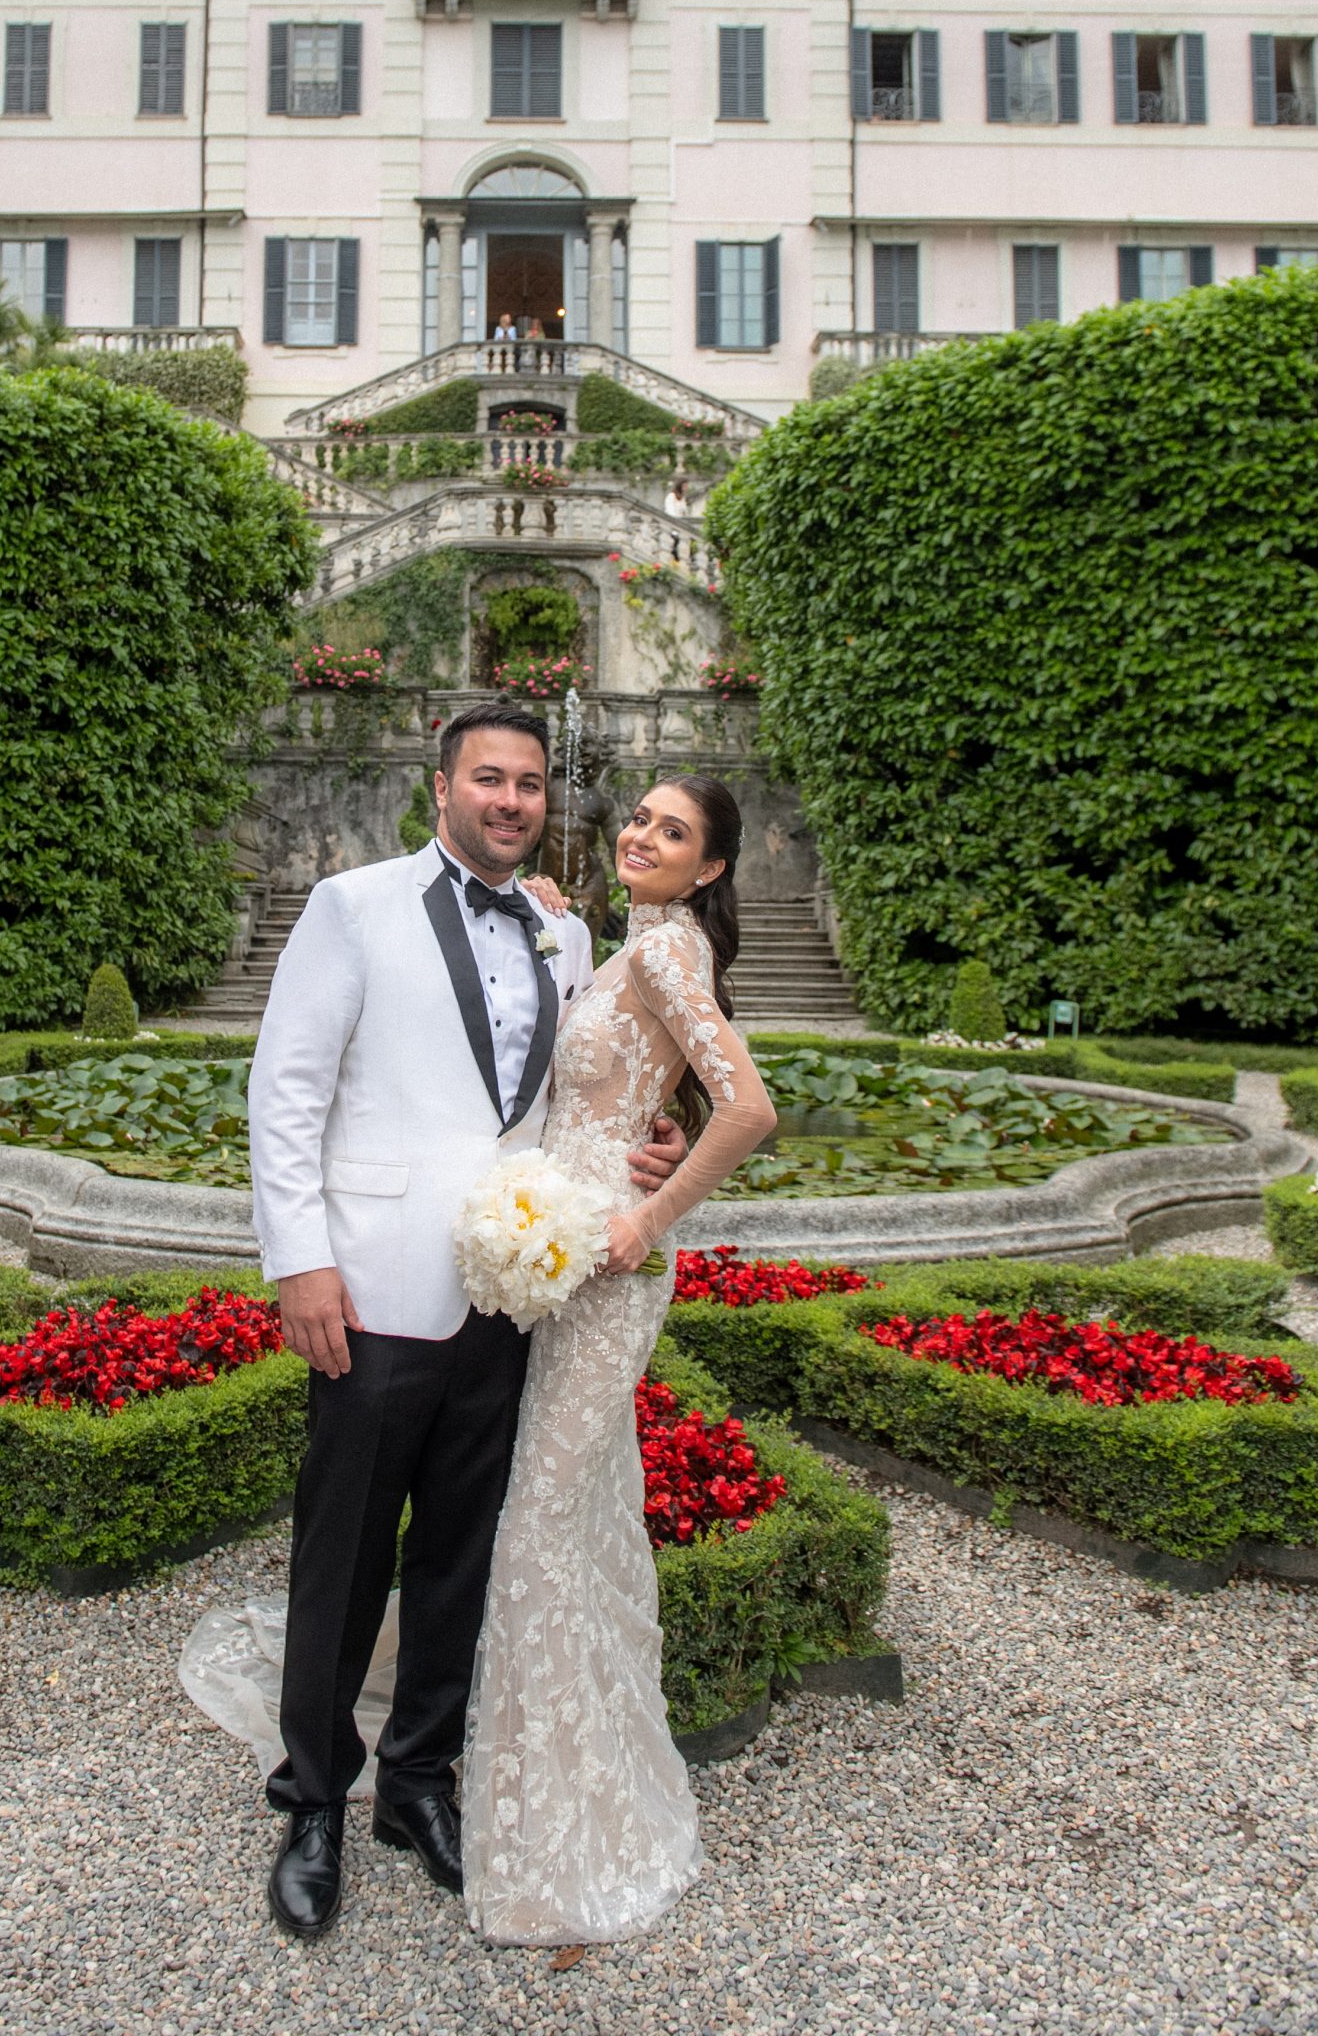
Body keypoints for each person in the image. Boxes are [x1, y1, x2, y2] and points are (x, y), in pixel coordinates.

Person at [237, 704, 692, 1938]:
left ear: (549, 801)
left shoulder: (563, 927)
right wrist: (301, 1262)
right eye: (487, 778)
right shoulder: (352, 906)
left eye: (530, 783)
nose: (510, 798)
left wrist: (648, 1145)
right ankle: (315, 1797)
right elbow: (285, 1092)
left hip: (512, 1290)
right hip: (373, 1287)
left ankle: (419, 1783)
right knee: (342, 1556)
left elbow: (578, 1093)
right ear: (440, 787)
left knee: (457, 1553)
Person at [460, 775, 776, 1944]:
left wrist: (651, 1218)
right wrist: (552, 918)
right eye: (638, 818)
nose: (642, 833)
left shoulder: (668, 952)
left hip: (604, 1268)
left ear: (708, 870)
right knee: (560, 1512)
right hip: (558, 1256)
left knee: (541, 1518)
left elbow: (748, 1107)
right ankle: (518, 1766)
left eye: (673, 831)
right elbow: (636, 1083)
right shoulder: (628, 944)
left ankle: (561, 1823)